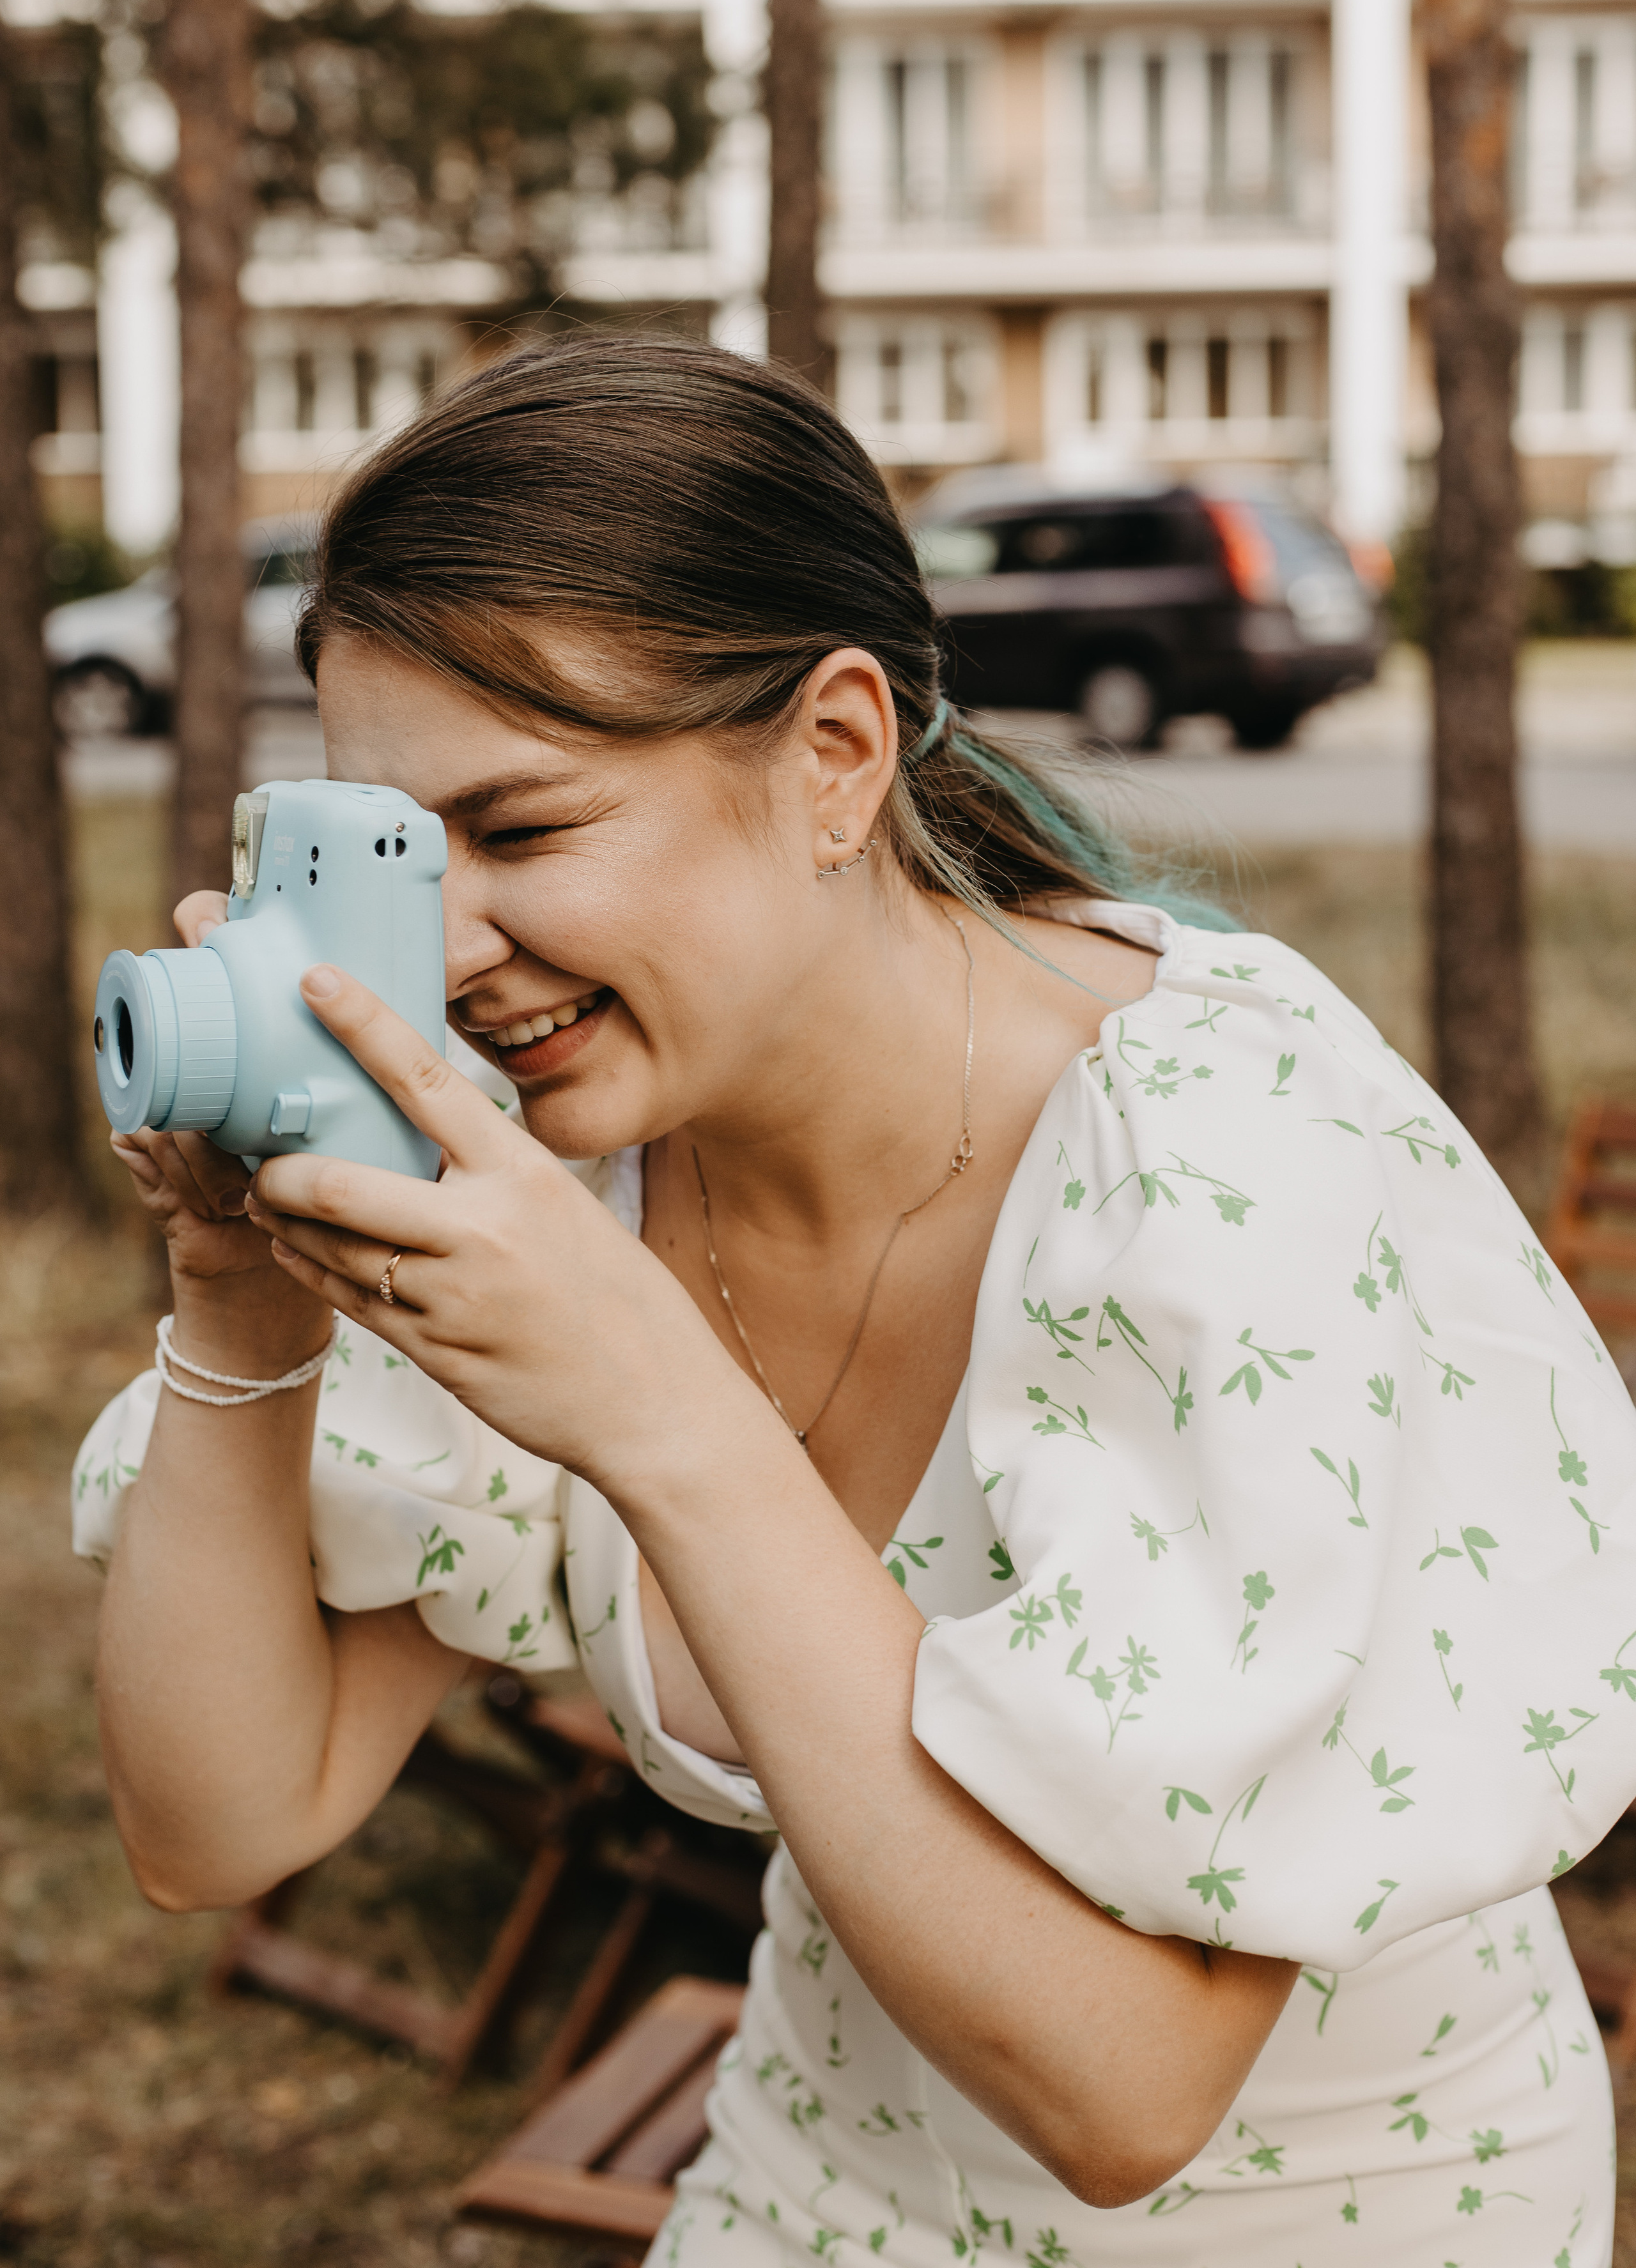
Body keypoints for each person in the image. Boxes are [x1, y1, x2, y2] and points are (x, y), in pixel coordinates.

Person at [76, 339, 1636, 2267]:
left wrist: (660, 1412)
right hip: (819, 2191)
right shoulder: (553, 1174)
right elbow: (218, 1825)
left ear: (835, 751)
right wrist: (241, 1297)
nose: (452, 952)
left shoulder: (1221, 1166)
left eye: (526, 829)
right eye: (398, 850)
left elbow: (1126, 2092)